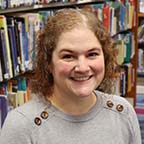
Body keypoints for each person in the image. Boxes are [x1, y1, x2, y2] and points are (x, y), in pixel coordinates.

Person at [0, 8, 141, 144]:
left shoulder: (123, 112)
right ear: (48, 62)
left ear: (105, 57)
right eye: (68, 56)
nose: (82, 68)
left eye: (92, 54)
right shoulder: (22, 126)